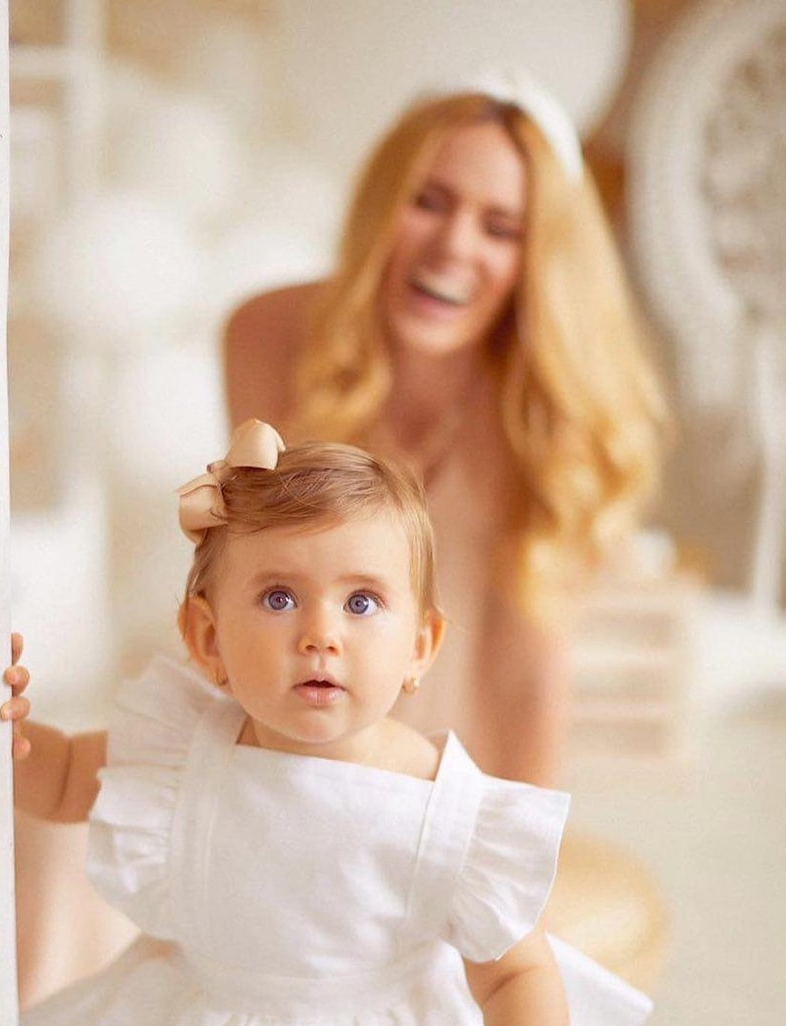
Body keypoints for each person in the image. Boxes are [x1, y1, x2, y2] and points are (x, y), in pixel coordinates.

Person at [1, 421, 651, 1026]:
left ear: (421, 643)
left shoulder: (442, 806)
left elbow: (516, 973)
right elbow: (65, 779)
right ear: (207, 636)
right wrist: (12, 739)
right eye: (277, 596)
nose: (320, 635)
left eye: (362, 602)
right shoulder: (188, 755)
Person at [223, 73, 670, 786]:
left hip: (453, 789)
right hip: (286, 756)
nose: (453, 247)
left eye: (501, 228)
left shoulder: (548, 407)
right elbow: (248, 583)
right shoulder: (268, 335)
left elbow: (531, 669)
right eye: (426, 202)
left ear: (538, 260)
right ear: (378, 205)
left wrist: (514, 851)